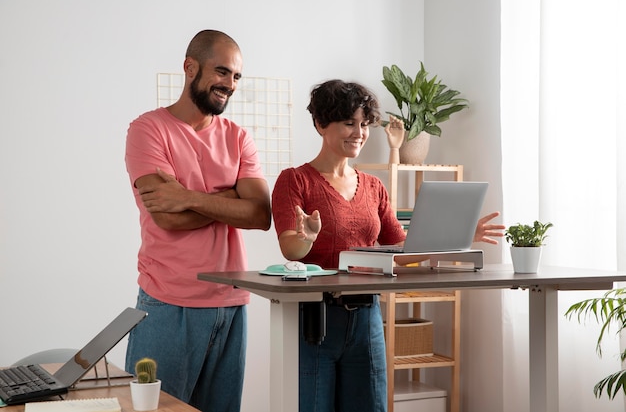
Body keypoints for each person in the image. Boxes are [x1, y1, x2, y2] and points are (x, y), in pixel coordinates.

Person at [271, 79, 504, 412]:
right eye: (349, 122)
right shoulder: (295, 181)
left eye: (365, 124)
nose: (359, 132)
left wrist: (460, 235)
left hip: (367, 318)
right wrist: (306, 238)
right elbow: (290, 251)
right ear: (321, 123)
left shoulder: (373, 186)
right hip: (315, 319)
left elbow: (402, 251)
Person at [124, 29, 271, 412]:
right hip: (169, 304)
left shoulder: (238, 138)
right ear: (190, 67)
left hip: (232, 302)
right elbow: (166, 218)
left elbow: (259, 214)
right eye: (222, 72)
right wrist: (230, 198)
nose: (230, 84)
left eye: (237, 76)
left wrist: (188, 197)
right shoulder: (148, 130)